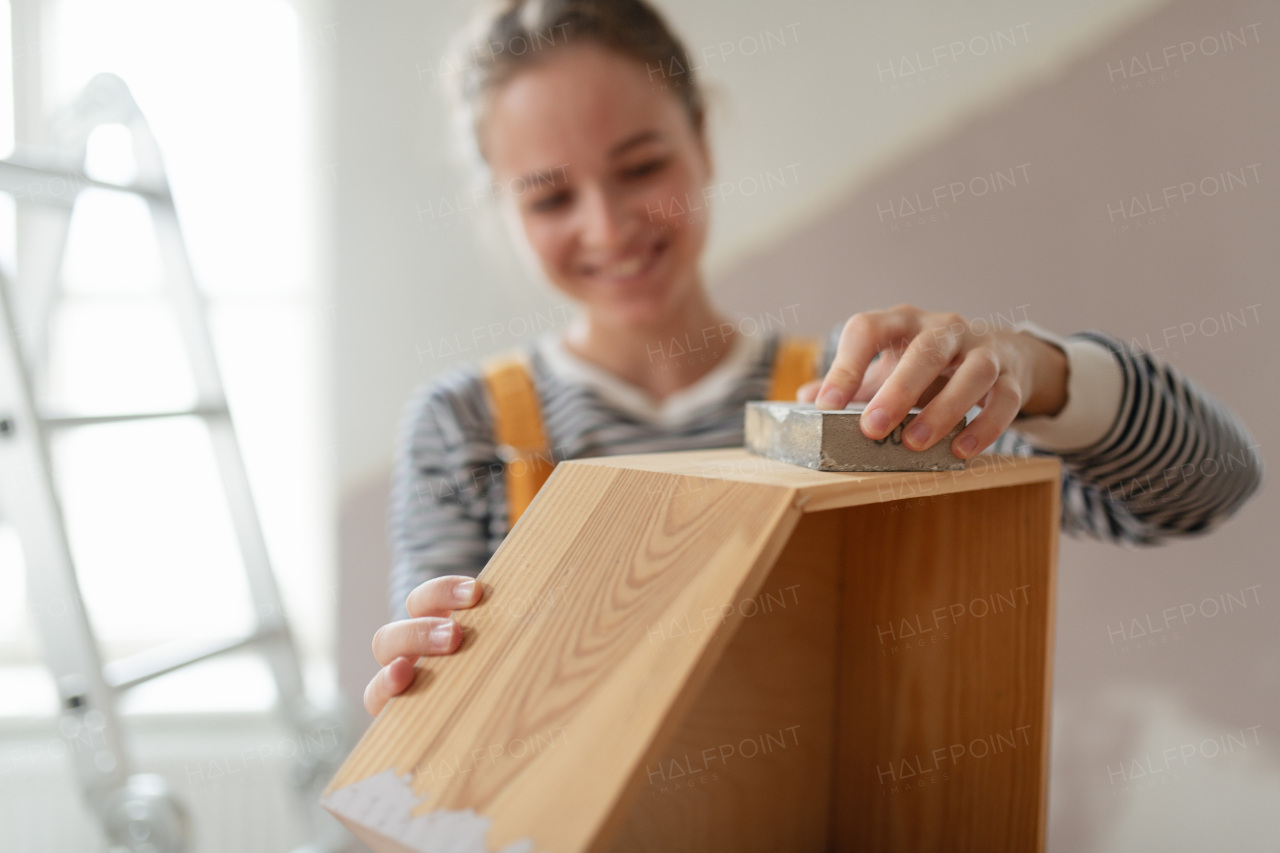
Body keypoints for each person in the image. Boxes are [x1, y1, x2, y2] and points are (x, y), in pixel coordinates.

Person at [364, 0, 1262, 716]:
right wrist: (422, 696)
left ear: (703, 140)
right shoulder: (465, 427)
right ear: (500, 210)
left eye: (642, 167)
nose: (608, 226)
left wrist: (1044, 370)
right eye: (552, 197)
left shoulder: (865, 403)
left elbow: (1214, 482)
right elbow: (437, 734)